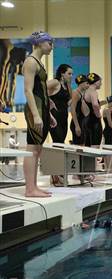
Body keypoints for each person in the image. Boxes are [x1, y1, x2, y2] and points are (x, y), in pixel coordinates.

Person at [23, 31, 55, 197]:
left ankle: (34, 186)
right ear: (40, 43)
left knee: (38, 149)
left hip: (42, 108)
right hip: (34, 109)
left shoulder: (39, 63)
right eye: (49, 43)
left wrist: (48, 114)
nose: (51, 46)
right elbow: (28, 90)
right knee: (32, 149)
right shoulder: (30, 62)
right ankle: (29, 189)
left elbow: (41, 91)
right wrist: (36, 115)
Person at [48, 64, 72, 143]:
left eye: (72, 74)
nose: (71, 76)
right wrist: (48, 100)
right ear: (62, 73)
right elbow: (40, 88)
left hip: (64, 117)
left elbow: (69, 102)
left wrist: (69, 85)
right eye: (69, 74)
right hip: (54, 116)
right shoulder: (55, 82)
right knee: (58, 141)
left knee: (61, 142)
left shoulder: (66, 86)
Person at [70, 74, 90, 146]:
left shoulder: (81, 93)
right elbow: (72, 109)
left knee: (82, 146)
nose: (88, 85)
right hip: (77, 122)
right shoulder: (76, 93)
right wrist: (77, 126)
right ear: (81, 84)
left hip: (81, 122)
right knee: (79, 147)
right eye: (87, 83)